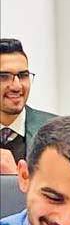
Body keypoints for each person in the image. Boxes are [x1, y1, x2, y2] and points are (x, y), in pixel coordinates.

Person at [0, 38, 55, 171]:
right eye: (4, 76)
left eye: (23, 75)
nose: (17, 86)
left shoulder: (57, 132)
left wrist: (14, 178)